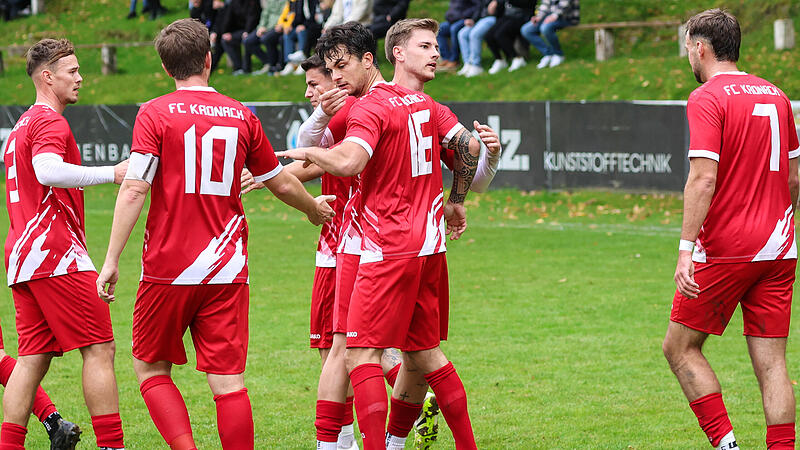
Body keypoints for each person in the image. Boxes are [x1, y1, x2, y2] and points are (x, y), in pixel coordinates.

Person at [94, 18, 333, 450]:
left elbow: (134, 187)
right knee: (228, 383)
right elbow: (279, 180)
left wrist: (111, 260)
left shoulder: (154, 111)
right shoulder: (241, 113)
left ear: (167, 68)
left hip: (168, 267)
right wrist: (313, 208)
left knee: (150, 369)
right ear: (209, 59)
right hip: (226, 267)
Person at [280, 19, 489, 450]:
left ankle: (360, 444)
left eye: (341, 67)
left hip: (383, 245)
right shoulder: (423, 104)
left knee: (359, 354)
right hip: (428, 247)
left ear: (371, 59)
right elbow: (469, 147)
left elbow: (349, 161)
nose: (335, 78)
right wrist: (458, 197)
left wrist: (306, 152)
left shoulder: (369, 107)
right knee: (423, 354)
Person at [662, 9, 799, 450]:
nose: (688, 54)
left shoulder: (707, 96)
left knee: (679, 347)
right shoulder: (776, 94)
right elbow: (795, 178)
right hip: (779, 247)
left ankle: (727, 445)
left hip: (726, 248)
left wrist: (686, 248)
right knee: (773, 363)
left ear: (699, 47)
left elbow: (703, 178)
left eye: (687, 45)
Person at [1, 38, 127, 450]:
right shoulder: (50, 122)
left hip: (21, 256)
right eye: (72, 71)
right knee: (99, 349)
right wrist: (113, 173)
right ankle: (111, 445)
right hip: (54, 254)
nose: (80, 77)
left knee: (32, 359)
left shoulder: (20, 125)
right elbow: (48, 171)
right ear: (47, 76)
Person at [520, 0, 579, 69]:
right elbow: (545, 5)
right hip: (549, 17)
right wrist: (538, 17)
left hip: (567, 17)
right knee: (526, 30)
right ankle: (548, 54)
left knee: (545, 28)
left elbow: (565, 5)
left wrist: (554, 16)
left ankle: (558, 54)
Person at [484, 0, 535, 74]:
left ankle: (517, 58)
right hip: (507, 16)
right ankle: (499, 60)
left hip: (523, 16)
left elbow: (528, 4)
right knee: (489, 36)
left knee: (500, 34)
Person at [217, 0, 261, 75]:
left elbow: (253, 17)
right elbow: (228, 18)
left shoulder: (253, 2)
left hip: (253, 29)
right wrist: (225, 32)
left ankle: (246, 68)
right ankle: (238, 67)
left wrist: (248, 31)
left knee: (246, 40)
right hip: (239, 30)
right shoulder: (234, 3)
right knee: (225, 40)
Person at [457, 0, 500, 77]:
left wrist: (497, 2)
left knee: (474, 34)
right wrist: (473, 19)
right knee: (462, 34)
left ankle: (476, 65)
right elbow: (479, 9)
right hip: (480, 20)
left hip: (492, 18)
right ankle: (468, 63)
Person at [243, 0, 286, 75]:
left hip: (278, 27)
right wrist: (261, 26)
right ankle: (267, 61)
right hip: (265, 27)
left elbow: (283, 15)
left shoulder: (286, 1)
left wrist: (268, 28)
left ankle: (273, 65)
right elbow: (265, 14)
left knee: (266, 39)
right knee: (248, 41)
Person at [436, 0, 481, 71]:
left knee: (454, 29)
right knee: (440, 29)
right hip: (453, 20)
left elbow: (477, 6)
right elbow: (452, 9)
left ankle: (454, 59)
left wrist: (465, 15)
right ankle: (446, 58)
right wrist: (449, 15)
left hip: (465, 19)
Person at [280, 0, 321, 75]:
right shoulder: (299, 2)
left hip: (313, 27)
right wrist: (291, 26)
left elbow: (313, 16)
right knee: (288, 35)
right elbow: (297, 17)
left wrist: (304, 25)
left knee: (301, 32)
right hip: (301, 27)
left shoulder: (313, 1)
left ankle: (303, 61)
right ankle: (290, 62)